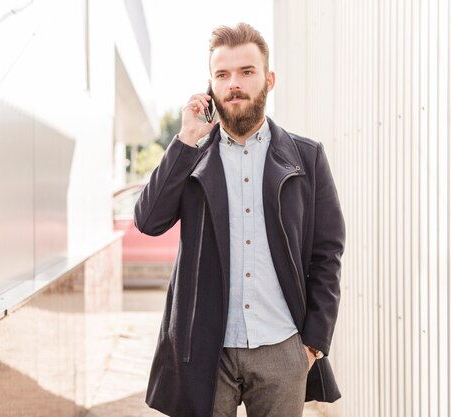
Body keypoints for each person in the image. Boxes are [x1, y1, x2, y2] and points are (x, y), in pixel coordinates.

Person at [135, 23, 345, 417]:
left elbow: (328, 251)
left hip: (283, 348)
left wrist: (313, 343)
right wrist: (184, 141)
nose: (234, 84)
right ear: (210, 87)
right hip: (205, 353)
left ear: (268, 79)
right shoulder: (192, 156)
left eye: (246, 72)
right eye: (223, 74)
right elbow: (148, 221)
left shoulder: (307, 157)